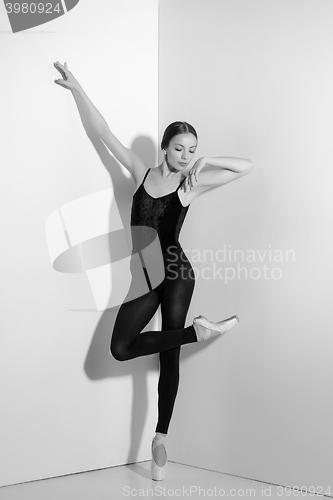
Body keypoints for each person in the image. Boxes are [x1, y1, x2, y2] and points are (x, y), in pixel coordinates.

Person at [54, 61, 254, 481]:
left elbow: (246, 167)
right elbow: (104, 133)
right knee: (121, 347)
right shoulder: (140, 172)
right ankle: (198, 332)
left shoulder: (191, 184)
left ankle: (160, 440)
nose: (186, 156)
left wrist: (210, 159)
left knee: (169, 358)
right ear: (164, 148)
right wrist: (77, 89)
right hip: (145, 276)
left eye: (192, 150)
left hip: (178, 272)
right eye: (180, 148)